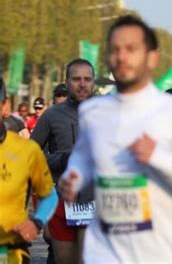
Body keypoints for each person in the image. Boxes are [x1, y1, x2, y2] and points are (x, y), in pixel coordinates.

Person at [58, 15, 172, 263]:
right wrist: (74, 176)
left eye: (132, 49)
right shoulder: (92, 112)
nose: (122, 57)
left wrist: (160, 158)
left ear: (152, 58)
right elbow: (83, 159)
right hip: (104, 254)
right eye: (115, 50)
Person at [31, 59, 96, 264]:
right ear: (67, 82)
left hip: (96, 201)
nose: (82, 84)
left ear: (94, 82)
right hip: (62, 201)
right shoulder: (51, 115)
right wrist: (63, 159)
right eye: (77, 79)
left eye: (87, 79)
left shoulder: (108, 113)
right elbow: (32, 154)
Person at [0, 77, 59, 263]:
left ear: (5, 106)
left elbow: (49, 195)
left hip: (11, 252)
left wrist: (37, 222)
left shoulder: (27, 150)